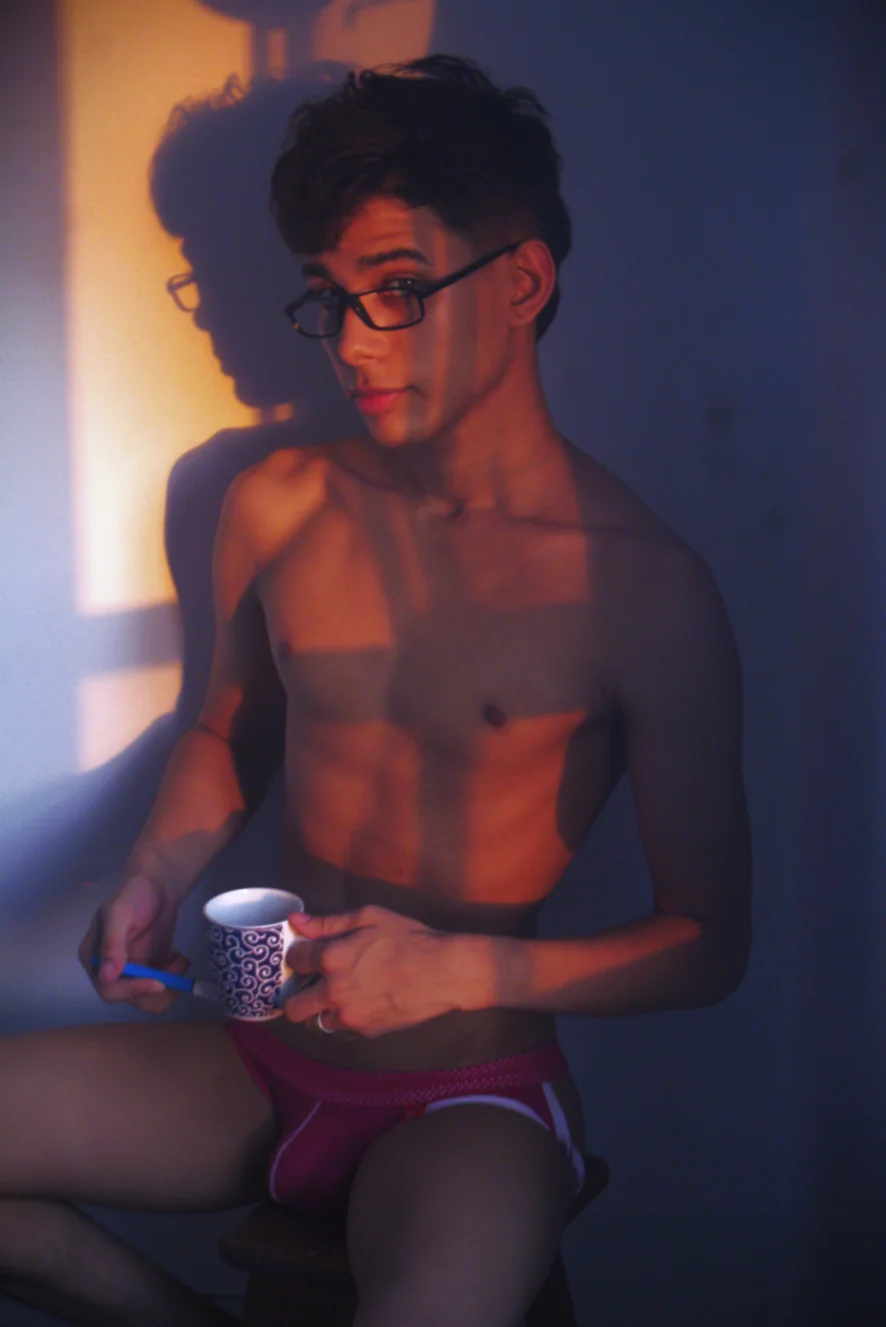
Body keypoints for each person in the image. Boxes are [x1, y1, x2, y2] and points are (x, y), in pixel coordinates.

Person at [0, 54, 751, 1327]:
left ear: (520, 282)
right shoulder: (276, 504)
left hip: (469, 1098)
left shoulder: (642, 588)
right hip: (257, 1051)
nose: (350, 343)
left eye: (396, 291)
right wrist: (152, 877)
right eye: (328, 296)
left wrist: (463, 970)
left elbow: (709, 943)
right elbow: (229, 728)